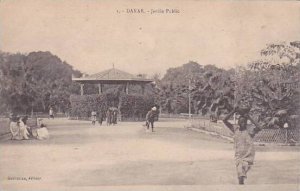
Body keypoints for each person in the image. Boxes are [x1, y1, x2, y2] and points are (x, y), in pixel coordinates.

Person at [222, 106, 262, 185]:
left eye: (244, 122)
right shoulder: (235, 129)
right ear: (238, 123)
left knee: (242, 173)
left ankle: (241, 183)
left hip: (248, 156)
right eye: (241, 122)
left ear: (246, 123)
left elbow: (259, 127)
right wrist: (233, 111)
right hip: (238, 156)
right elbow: (224, 120)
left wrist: (249, 117)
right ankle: (241, 184)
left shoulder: (250, 132)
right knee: (240, 173)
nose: (242, 123)